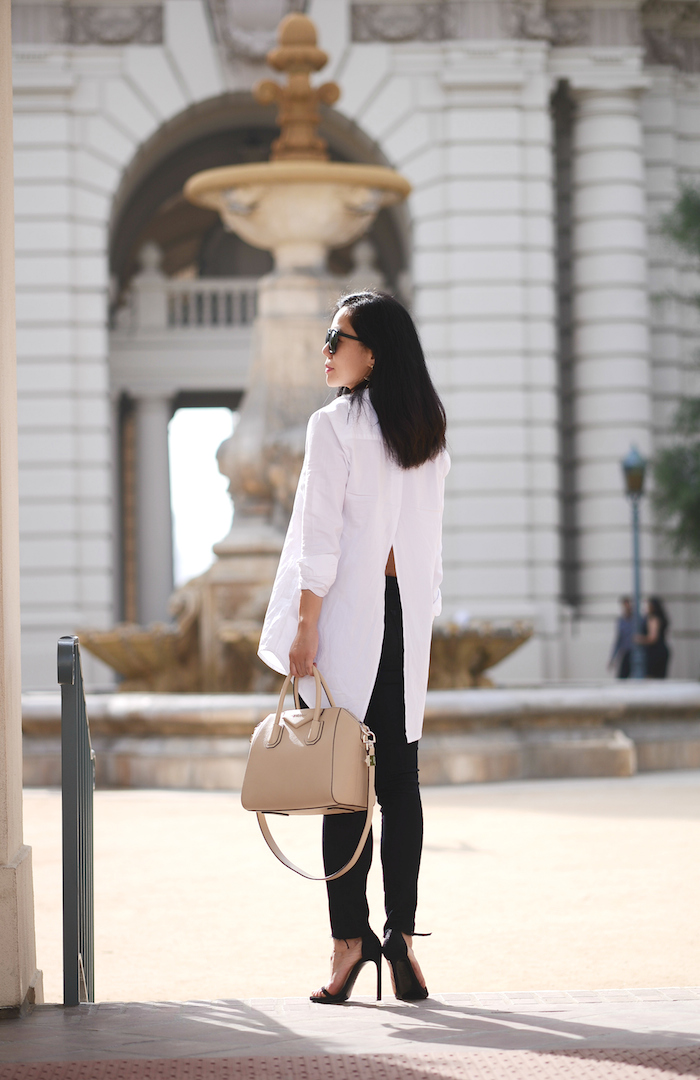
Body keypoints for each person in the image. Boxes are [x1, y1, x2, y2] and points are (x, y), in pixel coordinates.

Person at [258, 291, 449, 1004]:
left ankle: (348, 946)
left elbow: (319, 536)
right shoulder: (426, 428)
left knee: (346, 786)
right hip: (404, 621)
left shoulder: (335, 425)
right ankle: (400, 937)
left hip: (346, 618)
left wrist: (305, 624)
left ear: (373, 352)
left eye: (336, 337)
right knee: (400, 784)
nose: (326, 349)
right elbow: (427, 543)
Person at [636, 596, 671, 679]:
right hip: (661, 650)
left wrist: (639, 639)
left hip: (655, 652)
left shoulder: (653, 619)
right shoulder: (660, 618)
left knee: (651, 678)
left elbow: (652, 638)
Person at [608, 596, 635, 678]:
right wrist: (612, 658)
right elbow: (618, 640)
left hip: (635, 652)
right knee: (622, 678)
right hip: (626, 653)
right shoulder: (621, 621)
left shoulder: (637, 620)